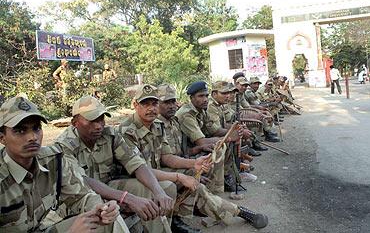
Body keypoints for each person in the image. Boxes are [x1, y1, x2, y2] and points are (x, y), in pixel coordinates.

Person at [53, 95, 175, 233]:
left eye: (101, 119)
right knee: (106, 211)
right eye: (92, 120)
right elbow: (83, 181)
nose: (98, 126)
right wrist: (127, 198)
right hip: (81, 198)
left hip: (109, 188)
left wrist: (158, 191)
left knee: (150, 189)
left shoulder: (110, 135)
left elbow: (137, 163)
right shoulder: (63, 146)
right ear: (75, 122)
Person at [0, 96, 121, 232]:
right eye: (20, 130)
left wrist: (101, 209)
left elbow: (81, 196)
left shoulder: (53, 160)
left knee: (101, 220)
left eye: (36, 128)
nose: (32, 137)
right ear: (2, 137)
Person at [156, 84, 268, 229]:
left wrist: (195, 153)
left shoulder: (173, 122)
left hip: (177, 162)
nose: (172, 106)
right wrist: (191, 165)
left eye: (173, 101)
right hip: (162, 170)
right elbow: (165, 159)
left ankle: (212, 198)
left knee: (213, 155)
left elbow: (181, 151)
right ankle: (239, 212)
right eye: (166, 102)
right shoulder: (170, 120)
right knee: (198, 185)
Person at [117, 84, 206, 232]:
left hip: (154, 172)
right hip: (133, 177)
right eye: (145, 104)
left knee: (191, 174)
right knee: (169, 185)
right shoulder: (126, 131)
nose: (151, 109)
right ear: (135, 105)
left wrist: (194, 163)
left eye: (154, 104)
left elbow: (167, 157)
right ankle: (161, 227)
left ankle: (174, 220)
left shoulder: (157, 125)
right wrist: (177, 176)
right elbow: (141, 169)